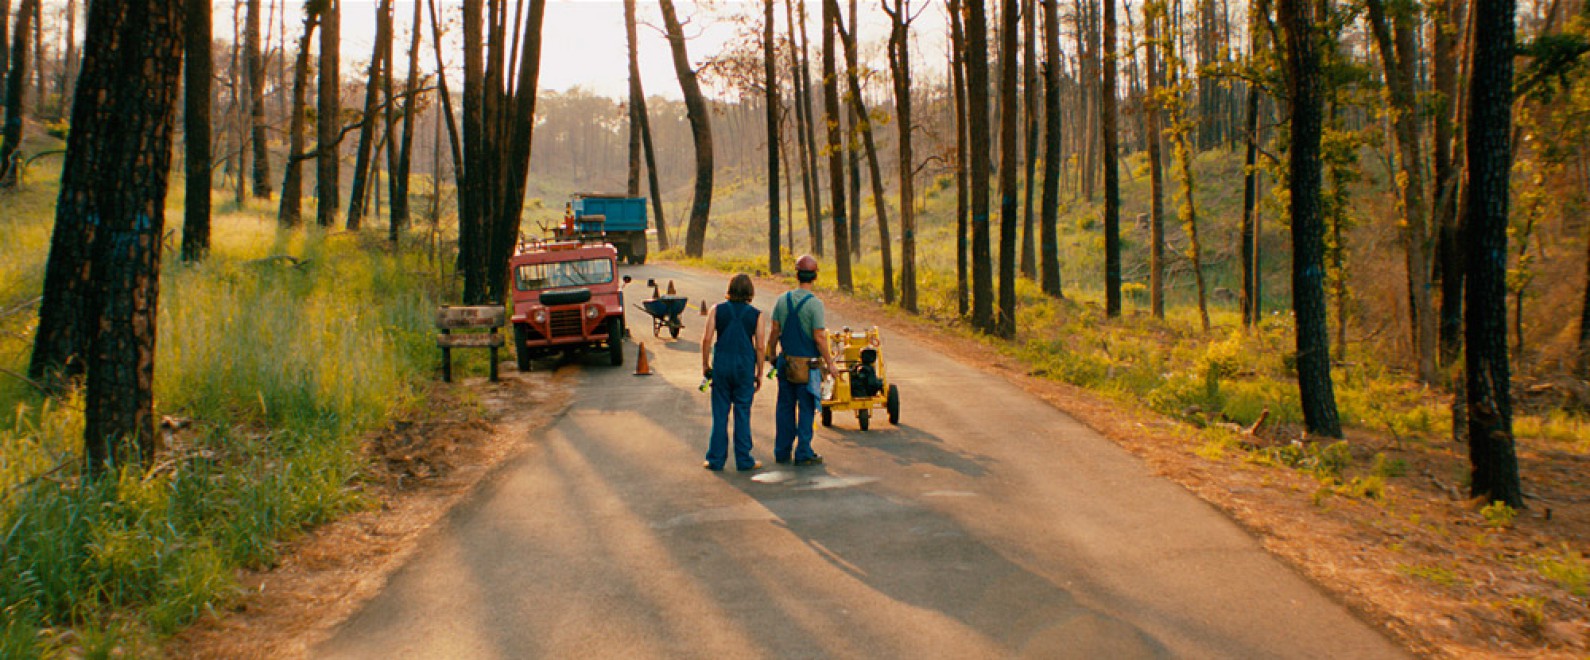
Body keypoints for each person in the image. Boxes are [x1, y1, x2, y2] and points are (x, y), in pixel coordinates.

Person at [765, 255, 838, 466]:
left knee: (785, 407)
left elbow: (775, 331)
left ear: (796, 275)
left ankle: (782, 451)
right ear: (814, 277)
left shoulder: (782, 300)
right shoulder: (815, 305)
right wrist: (830, 362)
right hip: (808, 367)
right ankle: (803, 452)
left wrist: (772, 354)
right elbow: (819, 337)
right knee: (806, 408)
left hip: (786, 363)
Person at [701, 273, 768, 471]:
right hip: (744, 368)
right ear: (750, 292)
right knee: (742, 413)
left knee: (720, 414)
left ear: (729, 289)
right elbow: (760, 347)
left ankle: (715, 459)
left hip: (721, 366)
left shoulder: (716, 310)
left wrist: (705, 364)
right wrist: (760, 372)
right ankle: (744, 459)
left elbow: (706, 339)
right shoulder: (757, 315)